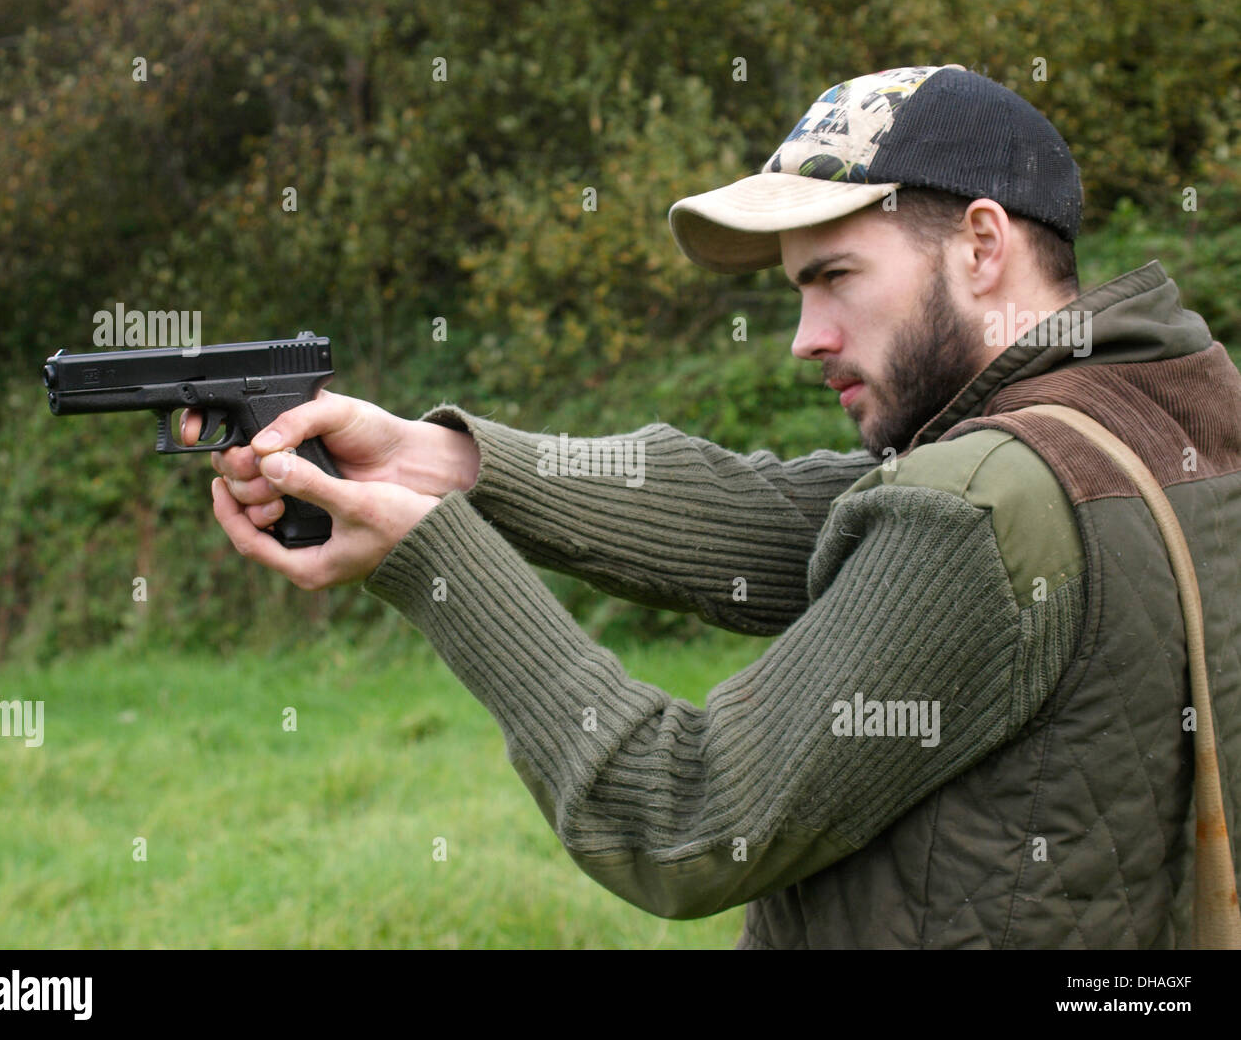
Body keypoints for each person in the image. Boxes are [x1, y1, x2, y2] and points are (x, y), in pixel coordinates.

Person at [187, 64, 1241, 948]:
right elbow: (805, 521)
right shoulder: (1166, 414)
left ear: (979, 243)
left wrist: (433, 562)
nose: (805, 335)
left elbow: (682, 819)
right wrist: (453, 463)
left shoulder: (985, 502)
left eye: (834, 277)